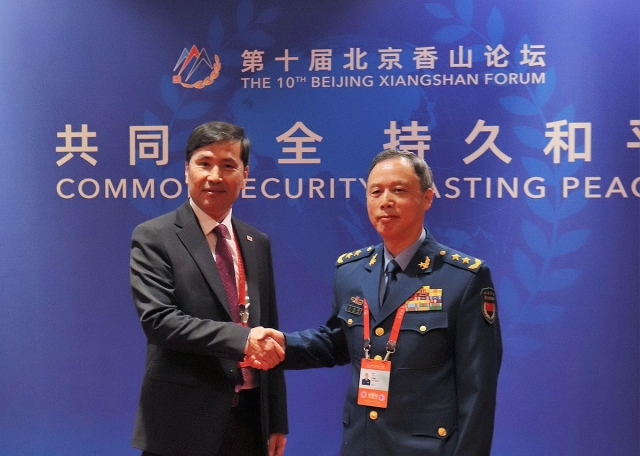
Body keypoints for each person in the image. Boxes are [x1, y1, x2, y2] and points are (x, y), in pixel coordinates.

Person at [273, 149, 502, 455]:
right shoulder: (350, 271)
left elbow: (478, 391)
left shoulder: (464, 278)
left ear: (427, 198)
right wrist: (279, 345)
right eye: (375, 191)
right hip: (362, 444)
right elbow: (336, 342)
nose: (386, 201)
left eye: (399, 190)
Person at [130, 121, 288, 456]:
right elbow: (159, 321)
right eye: (205, 163)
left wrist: (276, 420)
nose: (215, 176)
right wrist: (242, 339)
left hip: (247, 421)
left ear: (245, 175)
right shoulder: (154, 236)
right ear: (186, 170)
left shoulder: (256, 242)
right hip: (179, 423)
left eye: (229, 165)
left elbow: (270, 330)